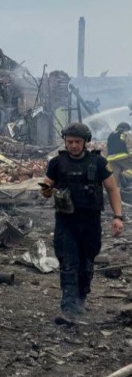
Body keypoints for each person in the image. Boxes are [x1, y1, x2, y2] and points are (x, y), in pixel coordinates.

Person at [41, 122, 124, 319]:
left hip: (90, 221)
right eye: (69, 142)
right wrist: (46, 190)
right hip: (66, 221)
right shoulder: (57, 163)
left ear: (85, 141)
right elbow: (46, 186)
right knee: (68, 262)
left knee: (86, 264)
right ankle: (68, 307)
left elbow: (112, 189)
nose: (73, 145)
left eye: (77, 142)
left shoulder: (98, 162)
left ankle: (81, 298)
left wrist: (118, 217)